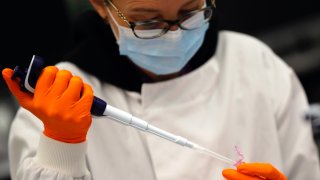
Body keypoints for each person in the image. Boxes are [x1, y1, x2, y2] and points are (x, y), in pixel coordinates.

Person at [2, 0, 320, 179]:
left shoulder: (257, 65)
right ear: (101, 5)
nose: (173, 35)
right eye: (148, 22)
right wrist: (61, 148)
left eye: (189, 13)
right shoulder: (59, 104)